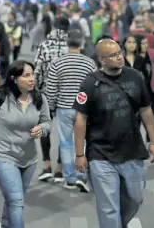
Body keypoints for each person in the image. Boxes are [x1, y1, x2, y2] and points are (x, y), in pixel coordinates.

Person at [74, 39, 154, 228]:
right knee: (108, 208)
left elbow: (146, 110)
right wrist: (80, 154)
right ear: (102, 60)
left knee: (136, 198)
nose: (119, 57)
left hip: (132, 151)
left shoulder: (135, 77)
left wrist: (153, 141)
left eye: (119, 53)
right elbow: (80, 119)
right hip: (100, 154)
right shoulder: (90, 83)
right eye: (113, 55)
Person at [0, 60, 52, 228]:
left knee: (12, 201)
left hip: (29, 160)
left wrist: (42, 129)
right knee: (16, 201)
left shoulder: (39, 98)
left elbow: (47, 122)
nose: (32, 79)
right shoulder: (0, 96)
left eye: (33, 75)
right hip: (3, 156)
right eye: (26, 75)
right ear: (14, 79)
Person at [45, 30, 97, 191]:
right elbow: (95, 87)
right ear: (81, 44)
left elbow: (51, 89)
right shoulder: (90, 63)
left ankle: (69, 178)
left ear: (67, 44)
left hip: (64, 108)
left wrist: (51, 107)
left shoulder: (57, 63)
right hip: (84, 109)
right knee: (83, 141)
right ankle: (82, 174)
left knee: (66, 143)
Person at [33, 17, 69, 181]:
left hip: (47, 94)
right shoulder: (72, 48)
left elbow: (37, 71)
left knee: (45, 129)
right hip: (67, 95)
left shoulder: (44, 45)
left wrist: (36, 90)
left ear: (54, 27)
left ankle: (47, 166)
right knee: (64, 132)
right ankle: (60, 169)